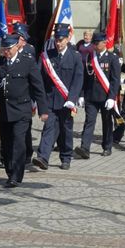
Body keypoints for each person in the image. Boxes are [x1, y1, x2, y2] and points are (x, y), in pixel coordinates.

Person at [0, 34, 49, 187]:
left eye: (9, 49)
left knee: (19, 142)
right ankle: (10, 171)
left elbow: (38, 87)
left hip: (21, 110)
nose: (6, 52)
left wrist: (43, 110)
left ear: (17, 47)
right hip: (3, 111)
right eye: (4, 49)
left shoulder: (27, 63)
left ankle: (16, 174)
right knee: (7, 143)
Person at [33, 24, 83, 170]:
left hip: (66, 101)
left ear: (68, 39)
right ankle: (43, 157)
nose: (58, 43)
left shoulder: (75, 57)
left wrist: (72, 99)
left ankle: (66, 157)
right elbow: (39, 78)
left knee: (66, 130)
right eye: (56, 40)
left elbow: (78, 80)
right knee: (49, 127)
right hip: (49, 100)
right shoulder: (47, 55)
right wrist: (38, 100)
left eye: (61, 40)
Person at [74, 32, 121, 159]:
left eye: (97, 43)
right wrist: (81, 94)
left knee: (107, 123)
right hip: (91, 96)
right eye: (94, 43)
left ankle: (107, 146)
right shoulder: (90, 57)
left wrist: (112, 97)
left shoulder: (112, 58)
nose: (94, 45)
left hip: (105, 97)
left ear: (104, 43)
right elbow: (85, 77)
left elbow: (115, 80)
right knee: (89, 121)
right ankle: (85, 148)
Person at [13, 22, 37, 164]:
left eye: (21, 37)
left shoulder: (30, 50)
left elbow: (33, 75)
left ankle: (28, 152)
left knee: (25, 126)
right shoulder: (9, 48)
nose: (19, 39)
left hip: (26, 93)